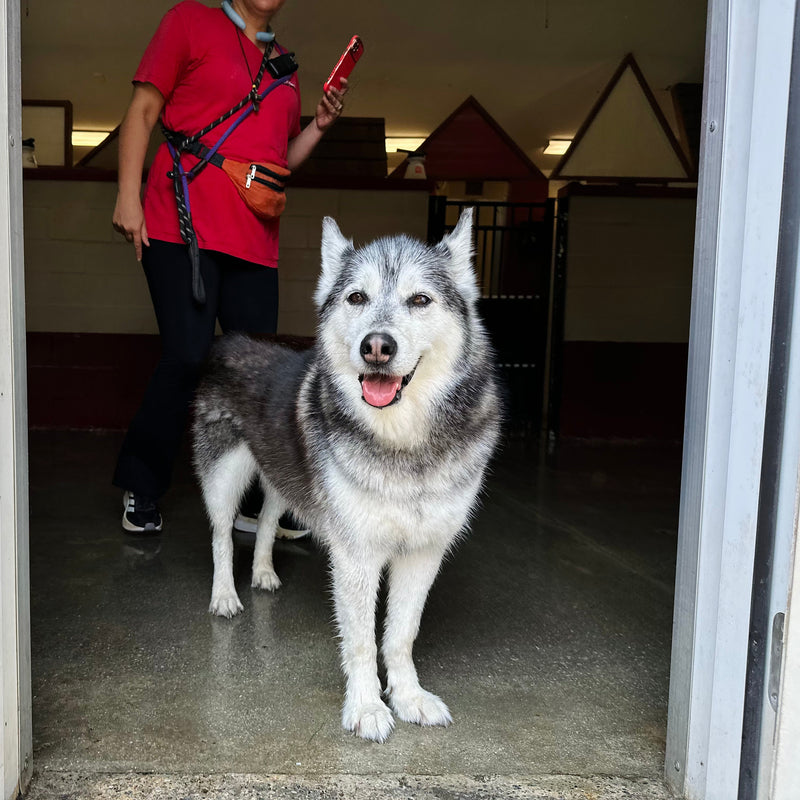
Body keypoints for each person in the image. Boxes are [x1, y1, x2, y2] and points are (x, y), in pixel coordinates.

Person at [111, 0, 347, 534]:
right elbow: (144, 111)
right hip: (182, 226)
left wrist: (320, 126)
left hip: (254, 242)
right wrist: (128, 196)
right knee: (188, 356)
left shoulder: (283, 64)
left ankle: (254, 504)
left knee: (260, 374)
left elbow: (278, 157)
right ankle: (142, 485)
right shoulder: (189, 22)